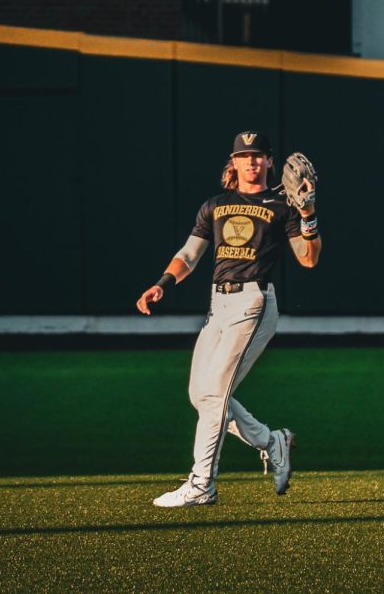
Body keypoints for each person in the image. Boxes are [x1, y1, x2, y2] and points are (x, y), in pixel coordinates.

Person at [136, 131, 321, 507]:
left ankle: (202, 482)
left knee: (215, 394)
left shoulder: (282, 205)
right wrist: (162, 283)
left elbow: (308, 258)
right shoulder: (215, 205)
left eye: (259, 155)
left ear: (271, 162)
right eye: (245, 155)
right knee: (200, 395)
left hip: (253, 302)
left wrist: (308, 214)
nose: (252, 161)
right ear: (233, 162)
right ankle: (273, 442)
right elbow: (189, 254)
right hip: (217, 305)